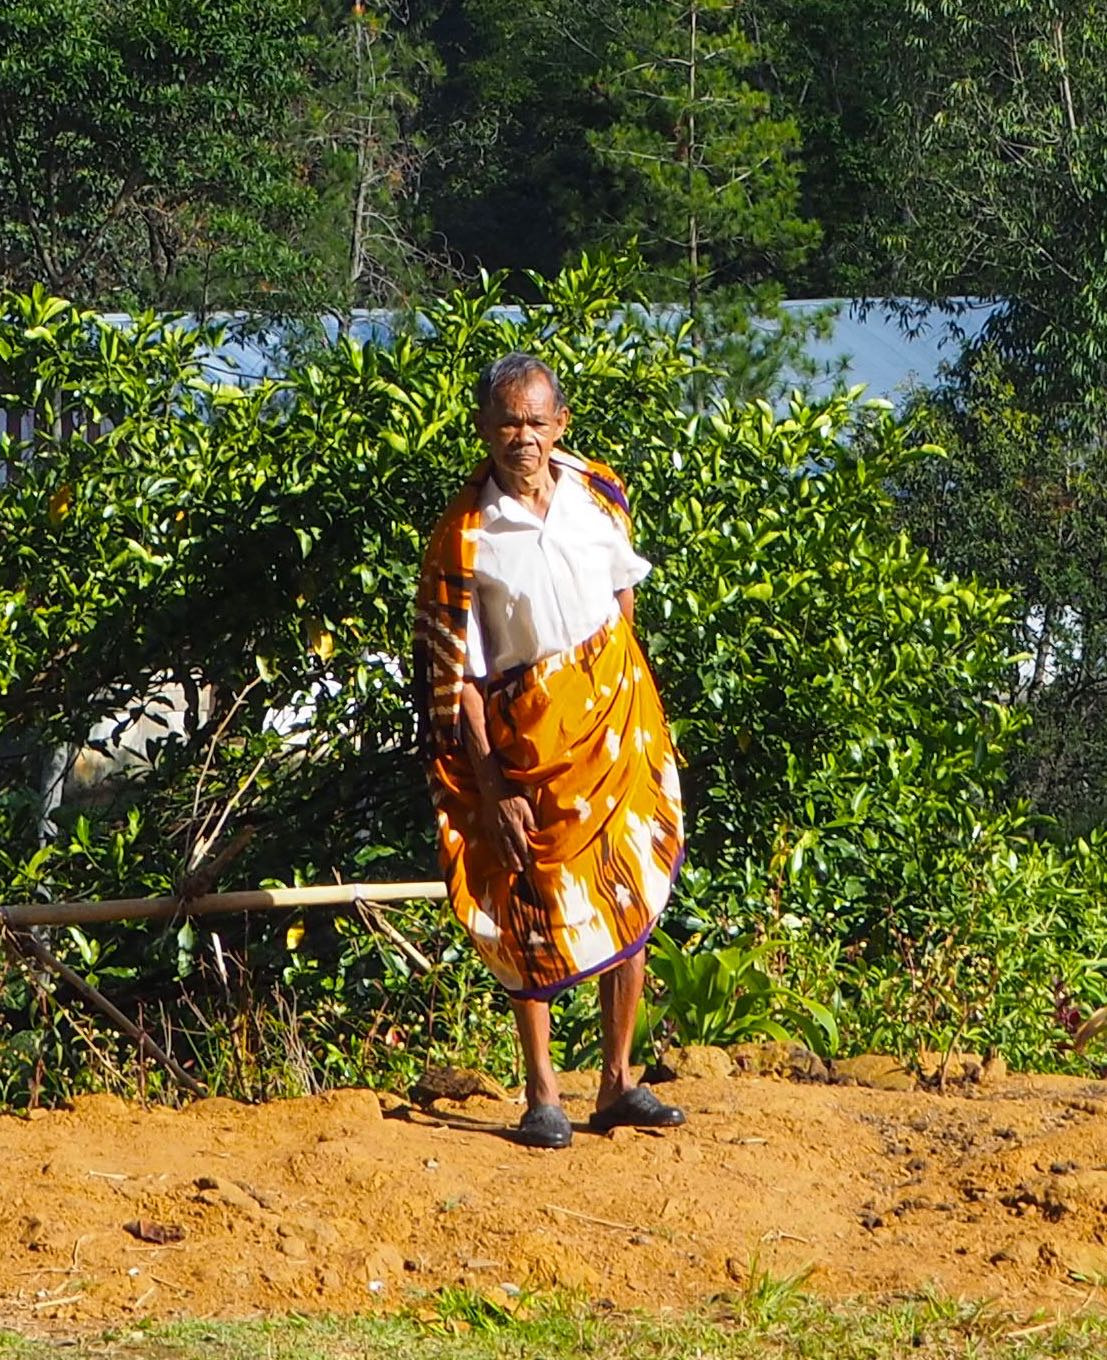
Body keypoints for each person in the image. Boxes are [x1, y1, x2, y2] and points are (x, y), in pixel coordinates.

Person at [414, 352, 685, 1149]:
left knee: (630, 890)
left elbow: (622, 598)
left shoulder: (597, 495)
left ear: (560, 424)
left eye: (535, 421)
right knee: (527, 904)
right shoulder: (464, 539)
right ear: (482, 428)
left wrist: (617, 697)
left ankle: (618, 1082)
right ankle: (542, 1094)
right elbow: (455, 678)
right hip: (525, 746)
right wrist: (492, 783)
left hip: (615, 736)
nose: (522, 438)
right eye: (506, 423)